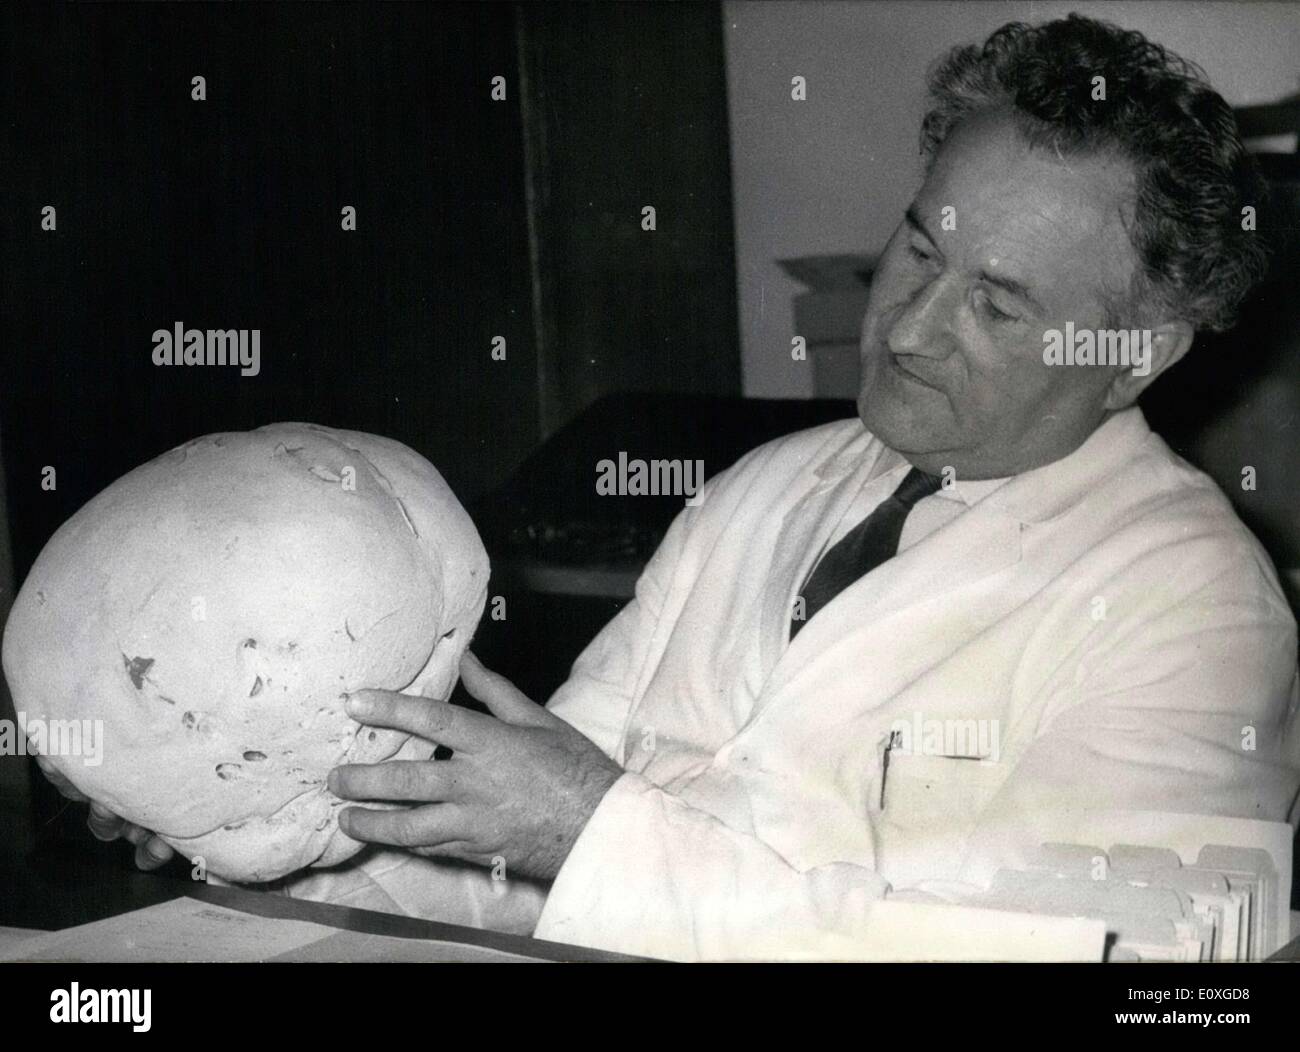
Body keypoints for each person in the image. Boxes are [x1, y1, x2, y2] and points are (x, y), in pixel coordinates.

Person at [42, 15, 1300, 959]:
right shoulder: (765, 491)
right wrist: (267, 825)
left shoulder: (1194, 612)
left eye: (998, 302)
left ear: (1134, 353)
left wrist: (588, 830)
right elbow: (520, 861)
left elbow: (1098, 964)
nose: (910, 327)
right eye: (920, 247)